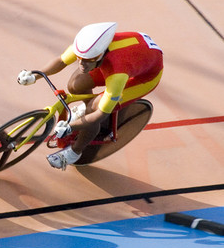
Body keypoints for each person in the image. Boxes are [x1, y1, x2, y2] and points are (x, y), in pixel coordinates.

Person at [17, 22, 163, 170]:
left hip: (144, 77)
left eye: (88, 61)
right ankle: (85, 113)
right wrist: (34, 75)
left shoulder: (117, 73)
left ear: (101, 56)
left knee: (93, 111)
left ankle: (75, 152)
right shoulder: (87, 48)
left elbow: (100, 115)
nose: (82, 64)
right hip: (131, 55)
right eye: (79, 58)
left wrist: (69, 126)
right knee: (75, 85)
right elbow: (61, 60)